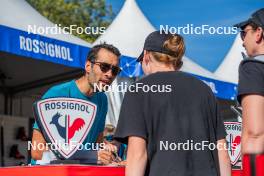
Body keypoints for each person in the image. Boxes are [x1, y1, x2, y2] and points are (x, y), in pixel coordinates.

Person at [114, 31, 231, 176]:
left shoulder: (140, 90)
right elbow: (222, 151)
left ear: (146, 56)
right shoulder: (205, 90)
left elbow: (137, 154)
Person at [31, 43, 122, 165]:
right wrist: (91, 155)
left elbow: (97, 147)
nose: (109, 74)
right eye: (104, 67)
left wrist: (108, 154)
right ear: (88, 66)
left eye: (115, 70)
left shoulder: (102, 99)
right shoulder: (58, 93)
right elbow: (37, 151)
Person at [235, 8, 264, 173]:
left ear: (259, 32)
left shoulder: (253, 67)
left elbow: (255, 133)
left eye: (244, 33)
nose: (243, 41)